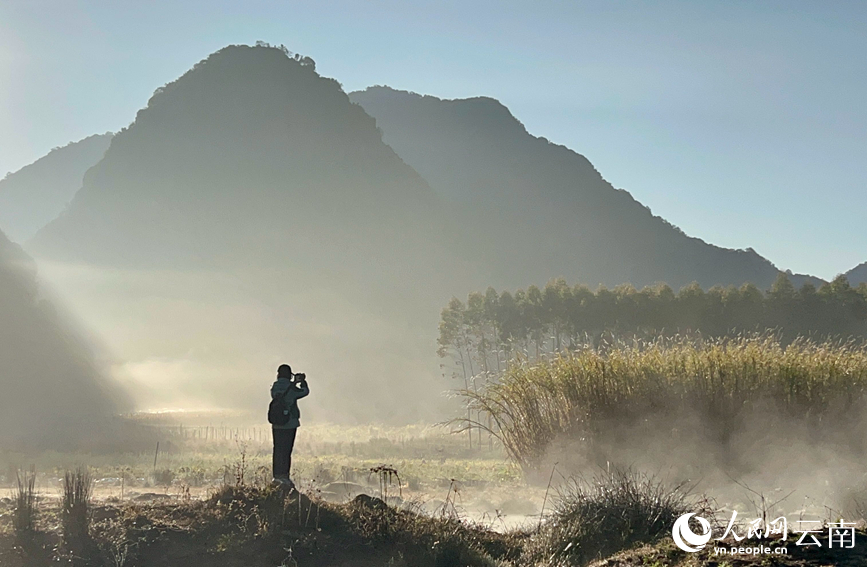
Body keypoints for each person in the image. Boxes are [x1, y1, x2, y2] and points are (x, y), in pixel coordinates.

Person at [270, 364, 309, 488]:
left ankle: (276, 475)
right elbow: (304, 392)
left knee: (277, 450)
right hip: (289, 424)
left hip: (276, 423)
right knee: (286, 450)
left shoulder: (275, 387)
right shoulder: (291, 388)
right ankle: (284, 476)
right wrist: (302, 382)